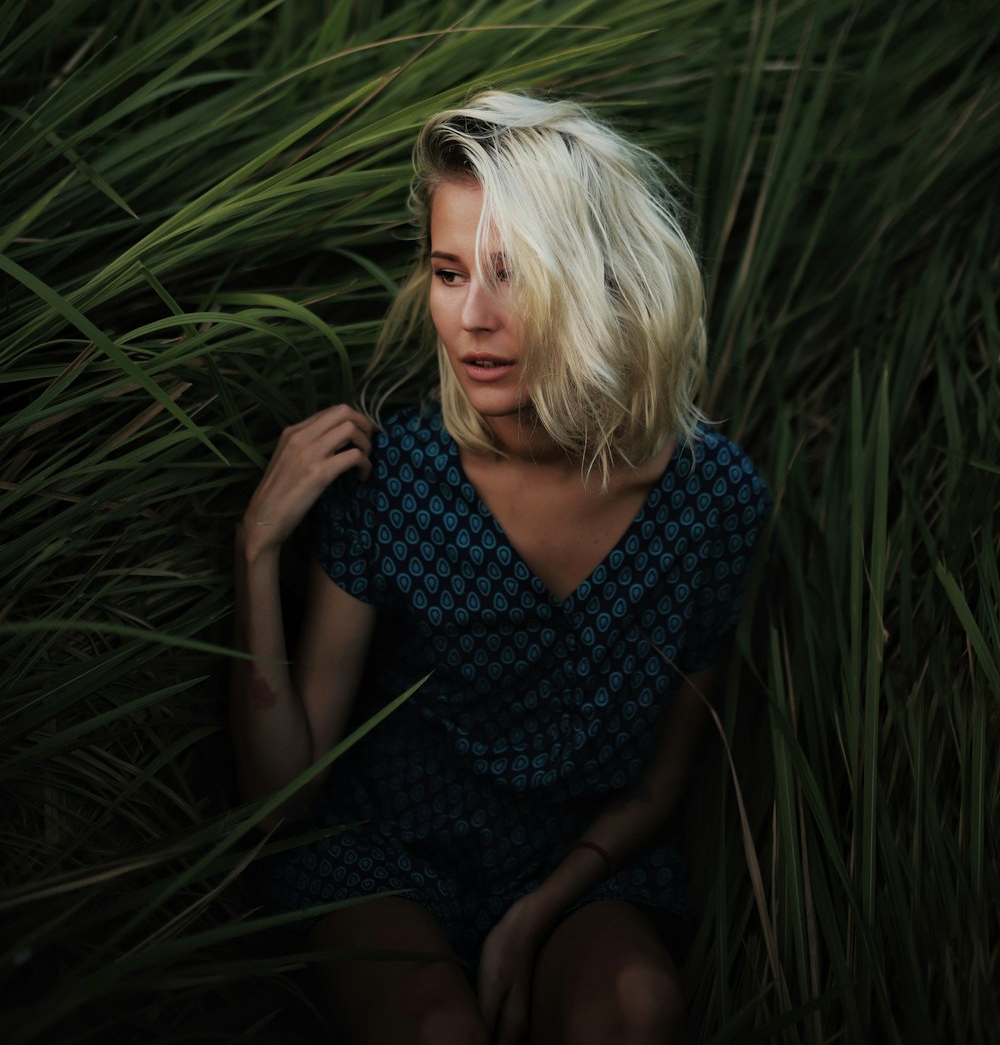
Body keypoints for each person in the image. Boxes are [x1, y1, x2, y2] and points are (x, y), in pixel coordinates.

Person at [231, 90, 770, 1045]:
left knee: (637, 1011)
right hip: (390, 853)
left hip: (586, 862)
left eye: (511, 274)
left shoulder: (714, 499)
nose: (472, 316)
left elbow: (660, 782)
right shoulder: (395, 481)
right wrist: (258, 551)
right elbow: (285, 801)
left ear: (601, 280)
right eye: (448, 271)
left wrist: (540, 908)